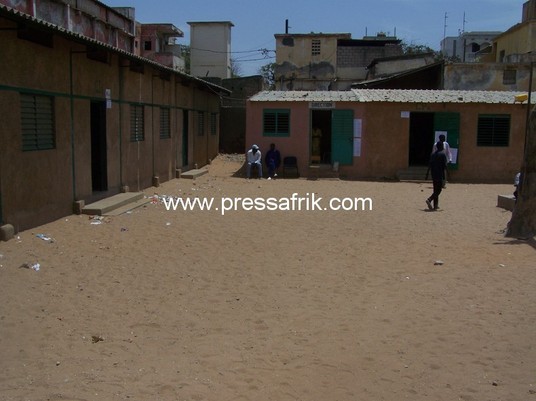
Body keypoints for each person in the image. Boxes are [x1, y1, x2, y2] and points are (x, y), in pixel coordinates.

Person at [426, 141, 448, 211]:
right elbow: (445, 166)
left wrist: (427, 174)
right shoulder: (442, 155)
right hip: (439, 174)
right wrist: (448, 175)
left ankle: (435, 205)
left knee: (435, 189)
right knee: (439, 190)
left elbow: (429, 165)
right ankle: (429, 199)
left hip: (434, 174)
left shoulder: (432, 155)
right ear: (441, 147)